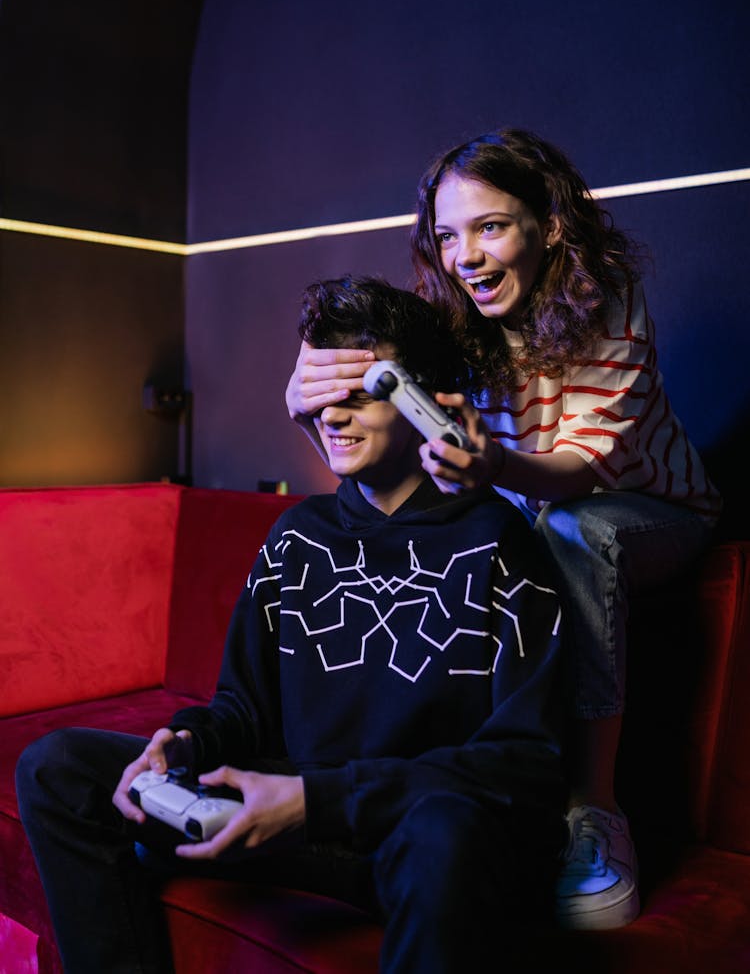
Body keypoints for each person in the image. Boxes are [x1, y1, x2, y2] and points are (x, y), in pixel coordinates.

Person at [17, 275, 566, 974]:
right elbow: (243, 706)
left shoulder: (499, 539)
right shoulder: (296, 534)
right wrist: (183, 745)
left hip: (408, 828)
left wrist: (316, 800)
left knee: (445, 836)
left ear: (425, 400)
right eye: (318, 394)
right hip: (288, 814)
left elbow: (525, 763)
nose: (333, 415)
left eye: (361, 390)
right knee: (59, 765)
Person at [285, 131, 723, 932]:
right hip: (527, 509)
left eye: (490, 227)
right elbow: (375, 429)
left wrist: (494, 470)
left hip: (650, 513)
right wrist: (304, 398)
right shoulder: (455, 323)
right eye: (448, 235)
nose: (465, 256)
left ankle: (594, 812)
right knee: (456, 531)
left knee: (573, 530)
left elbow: (579, 470)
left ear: (549, 225)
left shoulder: (608, 296)